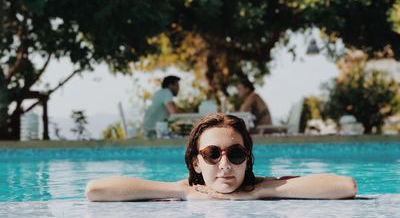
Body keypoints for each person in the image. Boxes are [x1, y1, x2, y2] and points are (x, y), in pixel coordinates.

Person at [86, 113, 357, 201]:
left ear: (247, 159)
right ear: (196, 161)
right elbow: (95, 190)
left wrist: (258, 192)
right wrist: (184, 192)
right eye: (212, 154)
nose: (225, 165)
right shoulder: (188, 190)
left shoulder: (260, 186)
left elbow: (346, 186)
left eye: (236, 154)